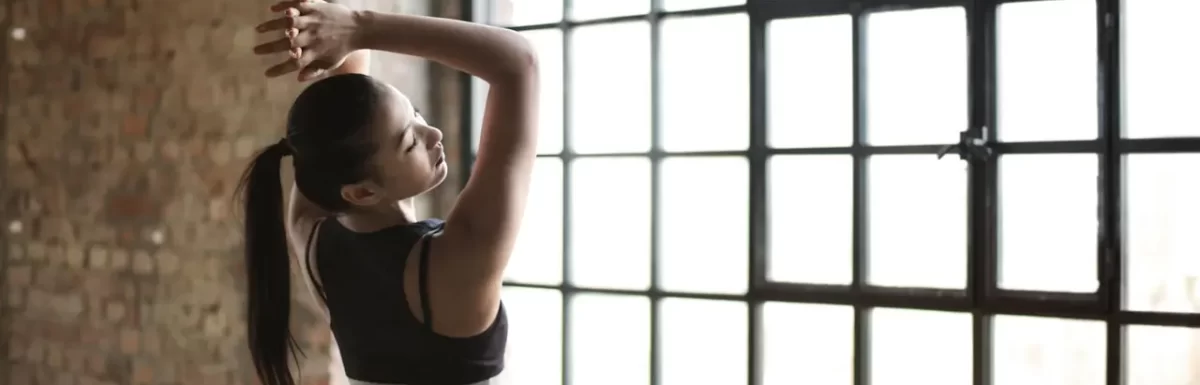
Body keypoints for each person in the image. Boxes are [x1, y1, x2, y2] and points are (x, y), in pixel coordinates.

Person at [237, 1, 539, 384]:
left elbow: (350, 82)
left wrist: (342, 29)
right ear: (362, 192)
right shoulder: (459, 259)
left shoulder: (312, 235)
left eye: (415, 113)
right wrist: (360, 26)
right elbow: (519, 64)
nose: (433, 134)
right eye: (409, 142)